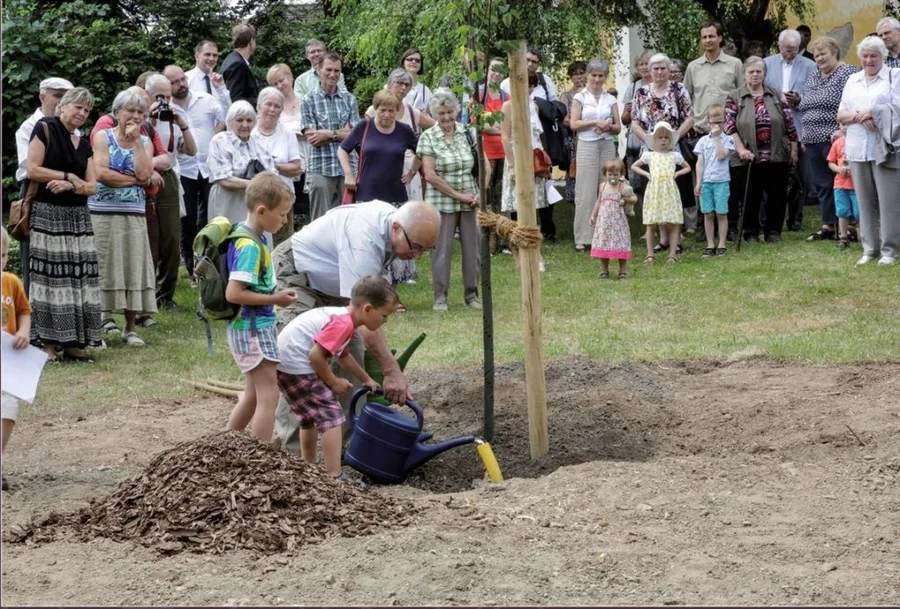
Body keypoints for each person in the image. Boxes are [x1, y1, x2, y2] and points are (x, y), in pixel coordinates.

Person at [271, 200, 440, 455]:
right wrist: (391, 372)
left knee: (353, 358)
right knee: (296, 362)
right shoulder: (364, 239)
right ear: (395, 228)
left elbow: (365, 316)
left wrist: (368, 376)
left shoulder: (392, 229)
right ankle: (290, 456)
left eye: (425, 250)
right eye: (415, 247)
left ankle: (350, 450)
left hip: (339, 285)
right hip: (299, 274)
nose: (417, 256)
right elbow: (367, 322)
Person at [276, 275, 392, 478]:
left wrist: (365, 379)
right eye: (384, 315)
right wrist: (334, 382)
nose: (386, 321)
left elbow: (343, 355)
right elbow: (316, 356)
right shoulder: (343, 324)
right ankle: (334, 476)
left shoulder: (341, 318)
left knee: (307, 418)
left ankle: (308, 468)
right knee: (333, 416)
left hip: (285, 365)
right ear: (367, 309)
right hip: (297, 365)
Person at [26, 87, 101, 362]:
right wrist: (70, 176)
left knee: (80, 278)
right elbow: (33, 169)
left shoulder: (84, 144)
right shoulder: (45, 128)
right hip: (49, 215)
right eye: (78, 107)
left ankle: (73, 343)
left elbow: (92, 187)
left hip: (77, 218)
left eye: (87, 110)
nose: (81, 113)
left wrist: (73, 185)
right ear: (63, 105)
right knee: (51, 279)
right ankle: (48, 344)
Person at [224, 173, 298, 441]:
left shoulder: (251, 237)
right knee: (269, 396)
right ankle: (261, 458)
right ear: (262, 210)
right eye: (281, 214)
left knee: (254, 396)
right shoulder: (250, 247)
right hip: (252, 329)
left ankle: (225, 446)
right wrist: (275, 300)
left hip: (252, 328)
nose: (285, 220)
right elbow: (234, 293)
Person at [89, 89, 158, 348]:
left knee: (133, 266)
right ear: (117, 113)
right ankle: (97, 327)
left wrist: (137, 143)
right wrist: (135, 180)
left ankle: (129, 329)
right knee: (102, 267)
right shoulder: (102, 137)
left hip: (134, 213)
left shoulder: (146, 142)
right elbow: (102, 173)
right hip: (102, 213)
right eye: (131, 110)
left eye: (141, 112)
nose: (136, 115)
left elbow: (145, 172)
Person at [837, 36, 900, 266]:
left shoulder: (895, 77)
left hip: (885, 148)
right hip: (856, 148)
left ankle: (890, 250)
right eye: (865, 55)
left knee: (888, 201)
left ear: (882, 57)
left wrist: (873, 112)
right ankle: (869, 249)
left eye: (874, 55)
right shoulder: (852, 80)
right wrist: (859, 116)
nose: (869, 60)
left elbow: (898, 109)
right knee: (864, 202)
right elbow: (841, 114)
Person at [724, 56, 799, 244]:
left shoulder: (775, 94)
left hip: (776, 153)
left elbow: (790, 122)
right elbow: (729, 127)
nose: (755, 75)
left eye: (759, 71)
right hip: (748, 155)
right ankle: (751, 232)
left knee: (777, 194)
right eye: (751, 71)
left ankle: (773, 231)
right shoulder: (735, 96)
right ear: (745, 74)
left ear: (764, 74)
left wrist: (794, 148)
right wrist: (740, 149)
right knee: (750, 195)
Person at [420, 91, 482, 311]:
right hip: (441, 202)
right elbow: (430, 175)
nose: (446, 117)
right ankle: (440, 297)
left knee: (473, 248)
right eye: (441, 113)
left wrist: (479, 192)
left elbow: (482, 165)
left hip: (471, 200)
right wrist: (458, 195)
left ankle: (471, 295)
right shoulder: (428, 137)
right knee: (442, 250)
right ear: (434, 114)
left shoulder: (468, 133)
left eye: (450, 112)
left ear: (457, 111)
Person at [165, 64, 226, 285]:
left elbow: (225, 117)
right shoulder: (166, 109)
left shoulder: (205, 99)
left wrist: (216, 137)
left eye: (182, 79)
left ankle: (213, 265)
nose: (181, 84)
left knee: (211, 219)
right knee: (188, 222)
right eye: (174, 82)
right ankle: (193, 271)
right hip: (185, 169)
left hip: (209, 167)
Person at [14, 77, 75, 294]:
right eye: (57, 96)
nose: (61, 102)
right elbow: (31, 168)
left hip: (68, 196)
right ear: (42, 97)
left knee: (64, 256)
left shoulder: (72, 129)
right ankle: (32, 315)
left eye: (65, 97)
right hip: (36, 193)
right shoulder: (29, 127)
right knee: (34, 256)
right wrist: (68, 175)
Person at [683, 20, 744, 238]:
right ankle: (706, 224)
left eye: (711, 36)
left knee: (729, 179)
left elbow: (741, 96)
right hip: (702, 132)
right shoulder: (693, 67)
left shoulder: (735, 64)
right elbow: (687, 98)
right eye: (704, 37)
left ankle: (731, 225)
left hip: (728, 130)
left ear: (720, 38)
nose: (708, 40)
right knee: (704, 179)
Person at [630, 53, 695, 252]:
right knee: (655, 192)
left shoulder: (678, 89)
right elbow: (634, 121)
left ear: (669, 70)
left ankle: (677, 237)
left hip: (672, 149)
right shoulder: (641, 92)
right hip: (649, 150)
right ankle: (663, 239)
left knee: (673, 192)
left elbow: (690, 117)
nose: (659, 72)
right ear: (649, 71)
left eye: (663, 68)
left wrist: (676, 135)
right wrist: (648, 140)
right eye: (655, 68)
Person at [798, 37, 860, 242]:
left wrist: (842, 130)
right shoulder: (814, 76)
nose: (819, 58)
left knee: (843, 182)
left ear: (835, 52)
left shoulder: (848, 73)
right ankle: (828, 225)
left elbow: (854, 103)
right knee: (822, 184)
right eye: (816, 55)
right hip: (812, 139)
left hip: (836, 138)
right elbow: (804, 105)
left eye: (823, 53)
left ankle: (850, 226)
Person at [145, 75, 197, 310]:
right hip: (145, 175)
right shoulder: (140, 116)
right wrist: (151, 118)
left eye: (168, 96)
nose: (166, 101)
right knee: (149, 236)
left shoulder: (174, 116)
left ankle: (166, 294)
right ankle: (146, 294)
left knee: (171, 237)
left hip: (170, 177)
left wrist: (181, 122)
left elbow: (192, 151)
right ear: (149, 96)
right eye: (161, 97)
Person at [764, 29, 816, 231]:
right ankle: (768, 219)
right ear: (779, 46)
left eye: (794, 50)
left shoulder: (810, 66)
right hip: (772, 126)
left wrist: (800, 99)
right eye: (786, 50)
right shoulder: (767, 64)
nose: (790, 54)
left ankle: (795, 219)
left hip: (800, 124)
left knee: (799, 177)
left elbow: (815, 95)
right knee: (773, 175)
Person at [301, 51, 360, 221]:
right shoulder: (308, 100)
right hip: (321, 166)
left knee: (350, 218)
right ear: (318, 70)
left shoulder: (349, 99)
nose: (333, 74)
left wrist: (329, 134)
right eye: (329, 70)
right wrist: (343, 133)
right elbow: (312, 138)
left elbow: (356, 136)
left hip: (349, 168)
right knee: (320, 220)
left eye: (337, 70)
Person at [570, 58, 620, 252]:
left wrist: (607, 126)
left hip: (606, 145)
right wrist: (594, 123)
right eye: (594, 75)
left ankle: (606, 233)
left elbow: (618, 127)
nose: (597, 79)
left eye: (601, 76)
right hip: (587, 145)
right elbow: (574, 124)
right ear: (588, 76)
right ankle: (582, 236)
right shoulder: (580, 97)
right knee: (586, 190)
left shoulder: (611, 98)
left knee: (608, 188)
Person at [341, 89, 419, 204]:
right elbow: (342, 149)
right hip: (366, 195)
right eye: (382, 110)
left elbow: (421, 152)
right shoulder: (364, 126)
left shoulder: (404, 130)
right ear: (375, 109)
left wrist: (412, 172)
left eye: (391, 111)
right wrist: (348, 175)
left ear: (397, 111)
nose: (386, 115)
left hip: (396, 196)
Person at [631, 121, 691, 263]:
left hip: (669, 192)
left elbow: (687, 167)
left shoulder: (674, 155)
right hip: (655, 191)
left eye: (666, 137)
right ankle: (650, 254)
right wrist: (647, 175)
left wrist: (677, 174)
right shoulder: (649, 155)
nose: (663, 140)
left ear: (670, 140)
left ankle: (672, 254)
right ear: (655, 140)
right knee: (651, 223)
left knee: (672, 222)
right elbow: (634, 166)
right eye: (660, 137)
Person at [208, 100, 275, 225]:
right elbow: (225, 180)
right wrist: (258, 184)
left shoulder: (260, 142)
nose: (245, 125)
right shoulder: (220, 141)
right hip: (228, 203)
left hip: (256, 203)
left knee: (257, 241)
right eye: (239, 120)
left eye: (249, 120)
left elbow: (272, 174)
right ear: (230, 121)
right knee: (231, 240)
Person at [1, 226, 33, 491]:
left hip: (8, 363)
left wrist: (23, 330)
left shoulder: (11, 281)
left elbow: (23, 310)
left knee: (8, 410)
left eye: (1, 255)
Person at [251, 87, 303, 245]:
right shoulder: (249, 132)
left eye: (277, 106)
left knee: (282, 244)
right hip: (256, 198)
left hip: (282, 198)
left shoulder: (287, 134)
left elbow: (296, 168)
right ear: (259, 106)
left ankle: (281, 270)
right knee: (255, 240)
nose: (272, 109)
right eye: (268, 104)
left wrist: (274, 165)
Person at [693, 104, 736, 257]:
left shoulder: (728, 140)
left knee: (721, 213)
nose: (717, 125)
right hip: (706, 182)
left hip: (721, 181)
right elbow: (700, 163)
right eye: (713, 122)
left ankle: (722, 244)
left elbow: (721, 155)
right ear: (708, 121)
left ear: (725, 121)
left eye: (720, 122)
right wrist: (698, 182)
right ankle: (710, 244)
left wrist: (718, 137)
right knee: (708, 213)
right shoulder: (703, 141)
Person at [589, 159, 635, 279]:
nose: (613, 177)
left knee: (621, 244)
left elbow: (634, 199)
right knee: (603, 243)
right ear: (605, 174)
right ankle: (604, 270)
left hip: (618, 222)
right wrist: (593, 216)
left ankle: (623, 271)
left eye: (616, 174)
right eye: (610, 174)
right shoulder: (603, 186)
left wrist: (625, 200)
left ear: (621, 174)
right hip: (604, 222)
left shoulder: (623, 187)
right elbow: (599, 202)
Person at [622, 50, 653, 198]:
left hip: (654, 137)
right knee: (637, 182)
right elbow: (624, 119)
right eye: (641, 64)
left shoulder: (659, 84)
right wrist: (627, 111)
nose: (643, 67)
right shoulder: (633, 87)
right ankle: (643, 215)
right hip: (635, 138)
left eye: (647, 63)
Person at [827, 126, 859, 250]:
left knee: (859, 212)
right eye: (842, 124)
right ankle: (843, 237)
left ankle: (864, 238)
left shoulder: (858, 142)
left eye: (848, 124)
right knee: (842, 211)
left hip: (856, 185)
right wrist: (839, 169)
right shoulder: (837, 143)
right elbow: (831, 162)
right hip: (840, 184)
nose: (845, 127)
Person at [563, 61, 587, 204]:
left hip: (592, 138)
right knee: (574, 176)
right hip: (573, 142)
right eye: (575, 74)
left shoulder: (593, 94)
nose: (579, 77)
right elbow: (565, 119)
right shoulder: (566, 96)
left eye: (581, 73)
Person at [220, 23, 260, 108]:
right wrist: (261, 102)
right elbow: (235, 99)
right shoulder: (238, 65)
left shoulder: (231, 58)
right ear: (251, 42)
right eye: (255, 40)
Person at [186, 40, 232, 113]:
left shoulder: (218, 81)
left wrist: (221, 89)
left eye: (214, 55)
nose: (211, 59)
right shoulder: (186, 79)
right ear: (197, 56)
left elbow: (229, 110)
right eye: (207, 54)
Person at [399, 48, 433, 113]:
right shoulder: (394, 86)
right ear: (403, 63)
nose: (413, 62)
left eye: (417, 60)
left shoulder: (425, 91)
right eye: (410, 59)